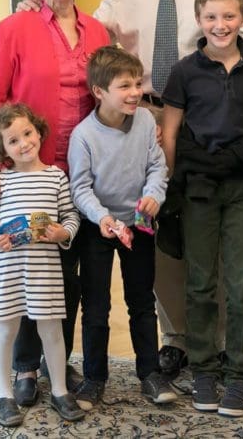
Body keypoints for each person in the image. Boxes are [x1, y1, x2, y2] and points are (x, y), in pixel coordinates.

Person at [95, 0, 243, 377]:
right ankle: (178, 337)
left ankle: (220, 343)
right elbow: (89, 33)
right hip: (148, 118)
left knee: (217, 230)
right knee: (163, 226)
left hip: (215, 116)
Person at [0, 0, 110, 404]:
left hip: (86, 172)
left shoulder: (97, 30)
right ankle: (26, 368)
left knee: (64, 272)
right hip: (31, 169)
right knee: (29, 265)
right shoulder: (15, 28)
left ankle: (59, 361)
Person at [160, 0, 243, 417]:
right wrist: (167, 188)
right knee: (201, 283)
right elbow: (169, 132)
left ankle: (240, 373)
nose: (220, 24)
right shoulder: (185, 70)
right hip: (198, 188)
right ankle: (204, 368)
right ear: (199, 20)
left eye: (229, 16)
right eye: (211, 17)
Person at [66, 46, 176, 410]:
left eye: (136, 84)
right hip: (98, 227)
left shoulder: (145, 122)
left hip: (139, 223)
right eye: (123, 86)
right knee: (95, 305)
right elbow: (79, 188)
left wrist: (153, 195)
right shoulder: (83, 136)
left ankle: (150, 373)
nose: (134, 92)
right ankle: (95, 378)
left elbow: (156, 166)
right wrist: (103, 219)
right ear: (98, 91)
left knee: (142, 301)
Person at [0, 103, 85, 426]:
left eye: (27, 133)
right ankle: (4, 394)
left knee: (51, 330)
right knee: (5, 329)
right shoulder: (1, 182)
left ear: (39, 131)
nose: (23, 143)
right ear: (2, 149)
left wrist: (63, 232)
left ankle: (60, 390)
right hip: (9, 269)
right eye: (13, 140)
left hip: (45, 270)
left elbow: (70, 215)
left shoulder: (56, 177)